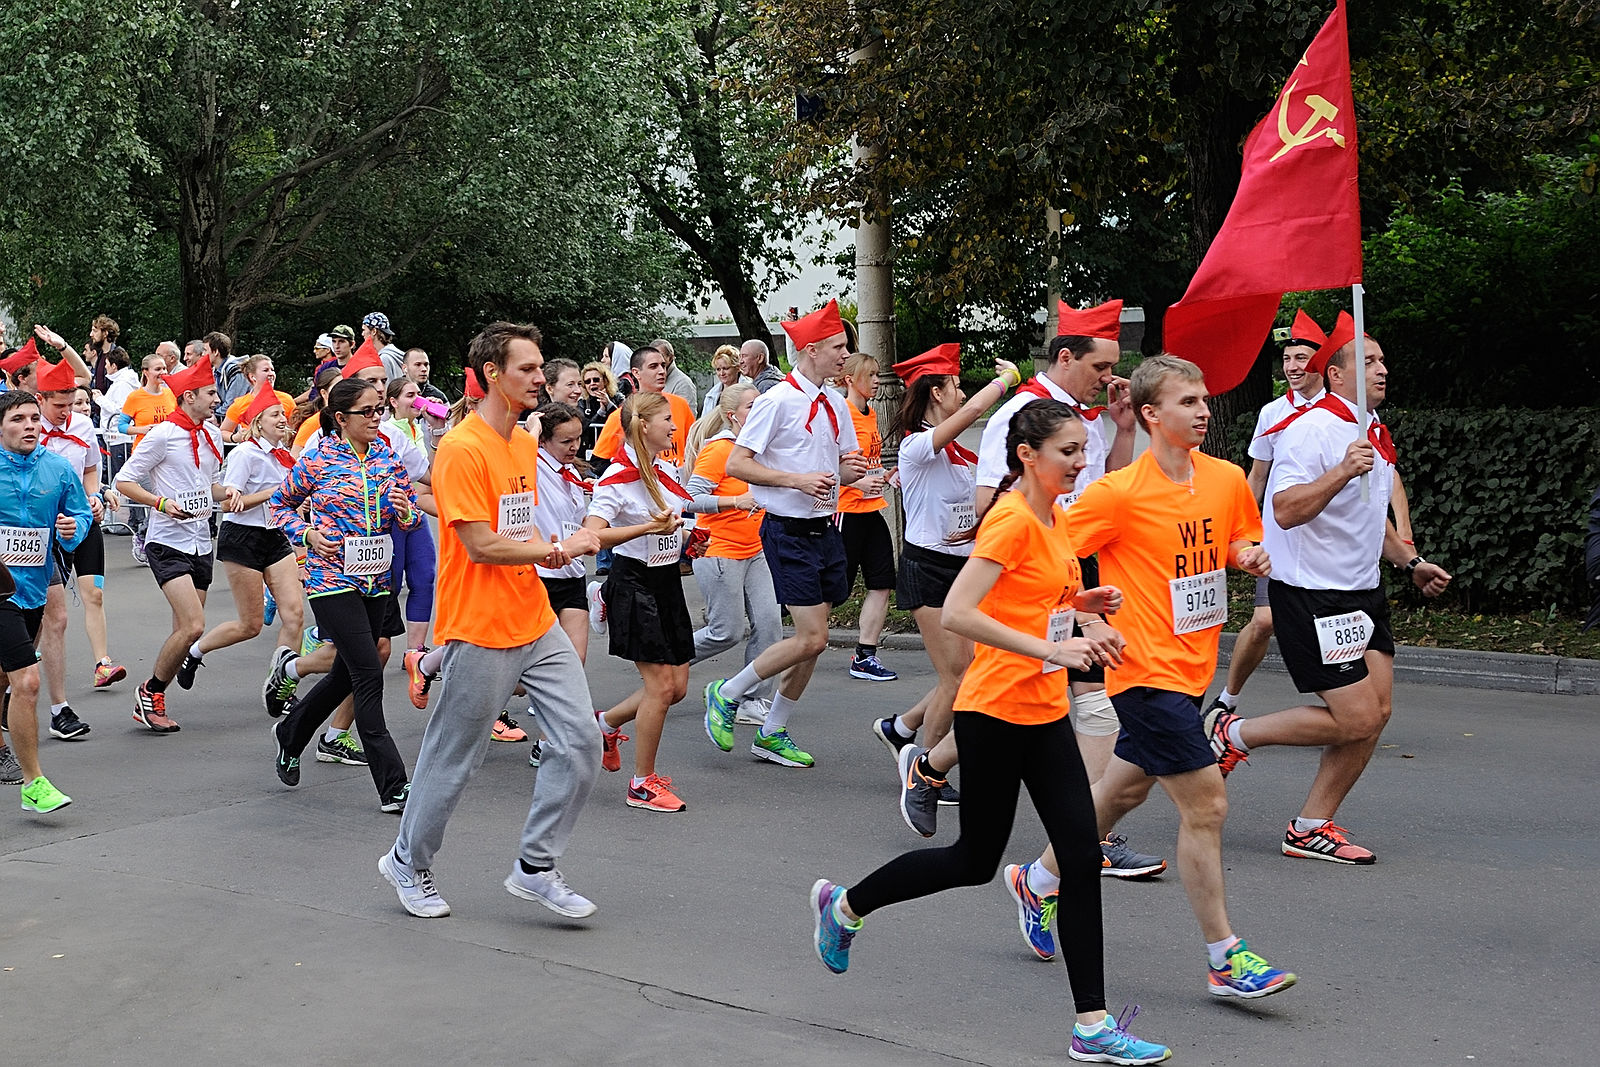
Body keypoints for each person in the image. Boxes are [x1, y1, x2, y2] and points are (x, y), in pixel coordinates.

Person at [806, 398, 1171, 1067]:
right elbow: (962, 614)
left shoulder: (1054, 516)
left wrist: (1084, 615)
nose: (1080, 461)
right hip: (994, 711)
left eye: (1082, 450)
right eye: (1068, 451)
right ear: (1028, 454)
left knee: (1081, 854)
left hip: (1041, 708)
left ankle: (1091, 1024)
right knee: (975, 859)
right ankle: (845, 904)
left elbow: (1040, 600)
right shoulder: (1009, 520)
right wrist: (1051, 647)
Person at [1013, 355, 1298, 1000]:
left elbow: (1232, 538)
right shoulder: (1118, 493)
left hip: (1193, 666)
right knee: (1207, 803)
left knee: (1122, 792)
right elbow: (1046, 549)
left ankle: (1040, 877)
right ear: (1150, 414)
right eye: (1187, 401)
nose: (1202, 411)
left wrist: (1244, 554)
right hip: (1140, 670)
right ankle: (1225, 957)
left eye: (1203, 400)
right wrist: (1077, 624)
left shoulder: (1225, 480)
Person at [380, 321, 605, 919]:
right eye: (527, 369)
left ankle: (535, 867)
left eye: (539, 369)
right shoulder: (461, 447)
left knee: (581, 741)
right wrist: (558, 550)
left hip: (534, 619)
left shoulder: (523, 443)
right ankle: (407, 861)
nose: (540, 378)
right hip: (478, 627)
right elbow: (481, 546)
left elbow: (517, 523)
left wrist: (551, 543)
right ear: (489, 376)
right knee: (455, 759)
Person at [1207, 316, 1452, 864]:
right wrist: (1342, 470)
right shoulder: (1312, 429)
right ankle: (1236, 733)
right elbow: (1286, 509)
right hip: (1312, 594)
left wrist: (1408, 561)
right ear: (1336, 375)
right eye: (1367, 361)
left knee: (1377, 711)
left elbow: (1369, 518)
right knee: (1357, 717)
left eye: (1382, 359)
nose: (1381, 368)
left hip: (1363, 591)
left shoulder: (1371, 428)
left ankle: (1310, 826)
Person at [975, 300, 1163, 880]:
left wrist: (1126, 427)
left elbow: (1110, 492)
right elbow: (989, 507)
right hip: (1032, 585)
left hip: (1075, 574)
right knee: (1022, 707)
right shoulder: (1024, 414)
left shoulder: (1090, 420)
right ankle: (1077, 840)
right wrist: (1050, 538)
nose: (1112, 379)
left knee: (1081, 706)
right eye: (1102, 367)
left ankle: (1078, 842)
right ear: (1066, 357)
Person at [705, 300, 870, 769]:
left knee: (812, 643)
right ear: (811, 350)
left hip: (825, 529)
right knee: (813, 637)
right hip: (787, 531)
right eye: (838, 347)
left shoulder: (836, 403)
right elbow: (739, 464)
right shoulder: (775, 400)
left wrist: (857, 475)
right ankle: (728, 691)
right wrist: (797, 481)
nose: (845, 355)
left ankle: (772, 731)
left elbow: (838, 469)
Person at [875, 345, 1021, 834]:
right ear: (936, 393)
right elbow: (977, 409)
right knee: (958, 676)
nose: (962, 392)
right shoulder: (919, 446)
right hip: (928, 570)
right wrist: (1007, 382)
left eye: (962, 384)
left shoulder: (963, 456)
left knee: (966, 671)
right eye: (955, 384)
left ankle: (901, 730)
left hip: (964, 569)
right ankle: (924, 774)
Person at [268, 376, 421, 812]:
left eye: (380, 411)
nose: (377, 418)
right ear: (340, 418)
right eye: (368, 412)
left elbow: (407, 515)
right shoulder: (317, 460)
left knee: (344, 674)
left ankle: (290, 733)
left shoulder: (386, 457)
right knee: (369, 673)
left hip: (376, 578)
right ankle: (393, 785)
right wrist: (309, 534)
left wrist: (406, 512)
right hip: (330, 581)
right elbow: (279, 505)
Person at [1209, 310, 1328, 715]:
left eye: (1301, 359)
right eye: (1288, 359)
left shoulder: (1346, 411)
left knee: (1329, 621)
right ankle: (1228, 699)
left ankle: (1338, 699)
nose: (1292, 367)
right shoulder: (1273, 413)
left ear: (1322, 365)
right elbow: (1256, 478)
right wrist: (1235, 532)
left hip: (1328, 542)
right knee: (1263, 622)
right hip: (1279, 539)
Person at [588, 394, 698, 812]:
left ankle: (606, 723)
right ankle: (642, 784)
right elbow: (592, 535)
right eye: (668, 419)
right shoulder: (617, 477)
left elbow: (674, 519)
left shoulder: (663, 467)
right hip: (635, 585)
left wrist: (688, 537)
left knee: (678, 690)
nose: (674, 426)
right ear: (644, 426)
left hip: (668, 582)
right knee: (661, 688)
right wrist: (643, 529)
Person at [114, 357, 226, 732]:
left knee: (184, 629)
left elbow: (211, 485)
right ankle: (150, 692)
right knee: (195, 626)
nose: (216, 399)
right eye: (210, 393)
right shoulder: (162, 434)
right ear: (189, 395)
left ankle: (155, 695)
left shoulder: (211, 435)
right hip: (167, 541)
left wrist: (235, 493)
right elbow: (125, 481)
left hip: (200, 541)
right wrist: (160, 503)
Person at [176, 384, 305, 693]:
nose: (282, 419)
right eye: (275, 414)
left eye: (283, 414)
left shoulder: (283, 456)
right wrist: (275, 494)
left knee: (295, 615)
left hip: (275, 536)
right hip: (243, 537)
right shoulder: (246, 454)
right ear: (258, 422)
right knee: (250, 625)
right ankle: (194, 652)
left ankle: (282, 685)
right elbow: (229, 503)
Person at [0, 390, 92, 812]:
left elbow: (81, 516)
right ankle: (34, 782)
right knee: (27, 681)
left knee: (5, 678)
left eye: (34, 418)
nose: (30, 426)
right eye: (18, 419)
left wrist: (73, 526)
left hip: (33, 588)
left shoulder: (57, 468)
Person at [34, 359, 125, 745]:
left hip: (80, 521)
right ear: (40, 401)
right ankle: (15, 678)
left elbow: (91, 469)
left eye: (72, 405)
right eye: (59, 406)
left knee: (83, 600)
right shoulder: (23, 430)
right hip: (38, 532)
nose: (67, 412)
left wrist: (93, 496)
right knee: (37, 615)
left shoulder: (84, 426)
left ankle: (95, 671)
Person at [686, 384, 780, 736]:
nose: (760, 411)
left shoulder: (757, 450)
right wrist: (733, 503)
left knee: (770, 626)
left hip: (755, 550)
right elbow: (688, 500)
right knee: (726, 633)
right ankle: (667, 661)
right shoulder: (720, 451)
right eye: (753, 406)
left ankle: (752, 701)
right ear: (733, 415)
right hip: (718, 550)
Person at [835, 352, 898, 681]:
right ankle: (792, 634)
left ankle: (865, 656)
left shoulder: (870, 412)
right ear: (849, 379)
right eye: (870, 375)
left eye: (877, 374)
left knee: (882, 581)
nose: (877, 380)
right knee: (836, 590)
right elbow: (828, 464)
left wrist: (886, 474)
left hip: (872, 509)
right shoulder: (841, 413)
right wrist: (859, 482)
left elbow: (867, 462)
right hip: (846, 511)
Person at [380, 378, 439, 655]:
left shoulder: (414, 430)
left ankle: (415, 652)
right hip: (383, 519)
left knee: (424, 577)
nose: (417, 401)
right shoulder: (386, 430)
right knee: (388, 585)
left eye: (419, 394)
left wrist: (437, 431)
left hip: (413, 515)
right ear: (392, 402)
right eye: (409, 395)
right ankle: (332, 638)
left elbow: (433, 476)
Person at [591, 346, 695, 468]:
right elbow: (598, 461)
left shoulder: (680, 404)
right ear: (636, 372)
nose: (661, 371)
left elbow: (694, 448)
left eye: (663, 365)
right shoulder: (622, 415)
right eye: (653, 366)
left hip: (676, 482)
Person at [219, 355, 295, 441]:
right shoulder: (240, 404)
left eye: (272, 370)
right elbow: (223, 431)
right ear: (252, 376)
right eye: (265, 370)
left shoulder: (287, 399)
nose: (271, 374)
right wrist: (236, 437)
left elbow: (296, 428)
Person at [579, 362, 617, 464]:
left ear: (605, 381)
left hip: (613, 451)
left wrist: (609, 405)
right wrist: (601, 412)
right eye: (587, 381)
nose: (592, 383)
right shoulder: (582, 403)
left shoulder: (618, 398)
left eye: (596, 380)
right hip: (591, 452)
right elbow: (585, 428)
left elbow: (623, 421)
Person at [653, 338, 699, 410]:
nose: (657, 360)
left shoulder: (683, 383)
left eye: (661, 356)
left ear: (670, 357)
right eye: (653, 357)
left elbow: (687, 415)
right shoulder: (649, 378)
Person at [701, 345, 742, 417]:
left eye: (725, 368)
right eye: (718, 369)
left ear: (737, 368)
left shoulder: (748, 390)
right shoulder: (711, 395)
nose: (721, 373)